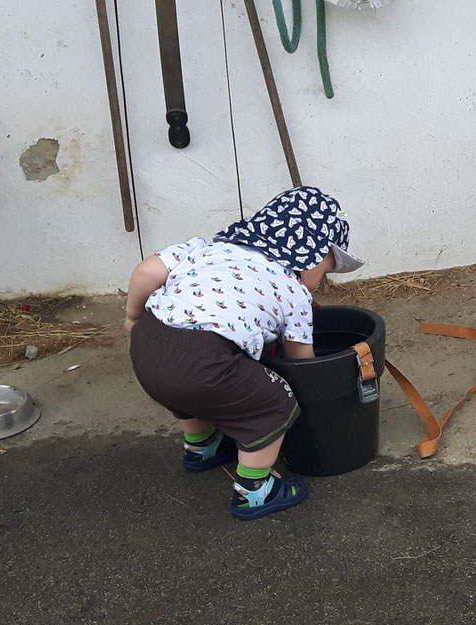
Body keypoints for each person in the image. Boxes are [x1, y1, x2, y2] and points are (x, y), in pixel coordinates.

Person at [122, 187, 363, 519]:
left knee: (182, 388)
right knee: (275, 404)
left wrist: (133, 317)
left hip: (148, 343)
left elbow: (147, 272)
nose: (322, 280)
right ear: (311, 253)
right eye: (327, 268)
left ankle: (202, 448)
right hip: (204, 361)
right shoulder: (294, 292)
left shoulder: (204, 249)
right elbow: (301, 360)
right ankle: (254, 491)